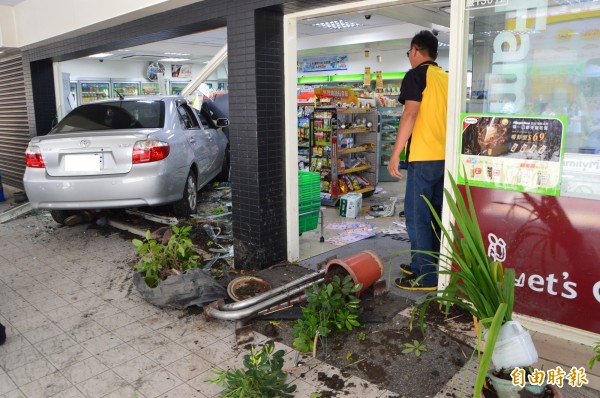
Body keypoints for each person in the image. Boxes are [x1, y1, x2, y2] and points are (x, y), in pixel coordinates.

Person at [387, 30, 448, 291]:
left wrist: (395, 153)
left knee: (416, 217)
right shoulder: (444, 77)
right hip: (444, 158)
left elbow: (410, 115)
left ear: (414, 50)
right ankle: (424, 264)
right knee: (434, 217)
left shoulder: (415, 75)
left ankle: (426, 276)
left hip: (423, 158)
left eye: (409, 53)